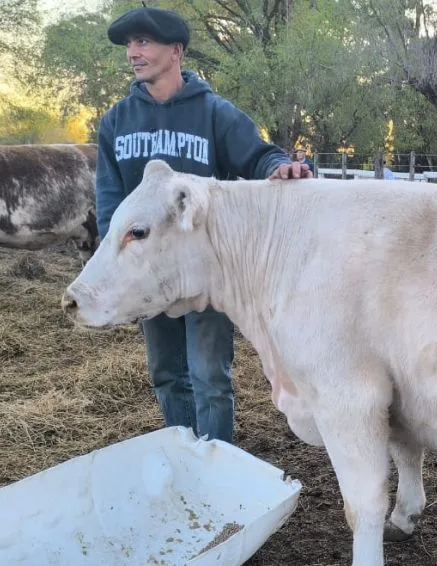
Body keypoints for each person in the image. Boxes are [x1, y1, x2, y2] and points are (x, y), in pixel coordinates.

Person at [95, 6, 312, 445]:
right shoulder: (116, 122)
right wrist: (111, 258)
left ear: (175, 50)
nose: (133, 53)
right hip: (148, 270)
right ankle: (182, 454)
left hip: (204, 271)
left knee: (209, 374)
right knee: (166, 372)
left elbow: (258, 155)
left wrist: (281, 167)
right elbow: (110, 199)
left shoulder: (214, 113)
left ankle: (217, 462)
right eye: (130, 45)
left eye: (143, 43)